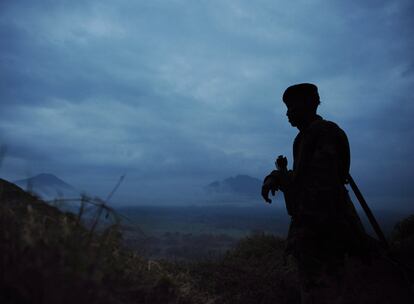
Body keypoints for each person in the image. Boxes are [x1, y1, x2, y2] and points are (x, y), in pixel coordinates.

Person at [262, 83, 369, 303]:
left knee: (323, 292)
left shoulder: (325, 134)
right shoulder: (304, 139)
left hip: (323, 234)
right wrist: (276, 176)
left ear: (309, 104)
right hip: (314, 235)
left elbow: (320, 187)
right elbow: (305, 178)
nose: (287, 113)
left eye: (292, 107)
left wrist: (283, 181)